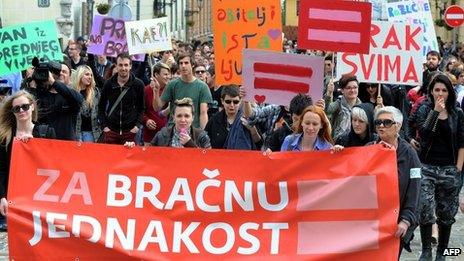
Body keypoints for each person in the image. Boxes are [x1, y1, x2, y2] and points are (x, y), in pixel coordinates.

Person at [415, 73, 464, 260]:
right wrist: (435, 111)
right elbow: (425, 134)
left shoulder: (457, 112)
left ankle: (443, 252)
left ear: (450, 92)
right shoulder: (424, 108)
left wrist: (458, 169)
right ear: (431, 91)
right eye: (437, 90)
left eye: (444, 90)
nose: (440, 93)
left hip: (450, 169)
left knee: (446, 213)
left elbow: (462, 142)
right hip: (427, 166)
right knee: (426, 209)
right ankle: (426, 250)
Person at [368, 106, 421, 258]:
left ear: (398, 125)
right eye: (378, 122)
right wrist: (339, 153)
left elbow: (415, 190)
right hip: (371, 222)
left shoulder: (410, 155)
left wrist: (406, 220)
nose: (381, 126)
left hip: (395, 224)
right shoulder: (369, 149)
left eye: (387, 122)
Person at [0, 91, 55, 219]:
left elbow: (53, 165)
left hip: (40, 194)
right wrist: (2, 197)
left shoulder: (47, 132)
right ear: (12, 112)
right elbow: (1, 169)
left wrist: (35, 145)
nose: (21, 111)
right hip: (14, 195)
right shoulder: (5, 137)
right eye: (16, 108)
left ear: (32, 106)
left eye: (25, 106)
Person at [153, 54, 212, 129]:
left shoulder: (202, 87)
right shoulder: (172, 84)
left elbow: (203, 113)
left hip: (193, 131)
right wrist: (156, 91)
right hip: (173, 130)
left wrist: (202, 134)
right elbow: (157, 107)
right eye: (181, 63)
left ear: (192, 65)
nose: (183, 66)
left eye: (186, 63)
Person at [98, 53, 145, 145]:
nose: (123, 68)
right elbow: (101, 106)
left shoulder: (138, 84)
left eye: (126, 65)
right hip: (111, 131)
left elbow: (141, 107)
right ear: (116, 65)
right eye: (120, 65)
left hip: (130, 132)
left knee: (130, 159)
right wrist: (105, 127)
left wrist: (136, 127)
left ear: (130, 66)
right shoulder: (109, 84)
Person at [205, 85, 261, 149]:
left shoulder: (247, 119)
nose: (232, 105)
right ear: (222, 101)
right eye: (228, 102)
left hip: (243, 158)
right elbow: (205, 141)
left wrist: (252, 129)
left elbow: (259, 143)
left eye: (235, 102)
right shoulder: (214, 120)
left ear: (240, 101)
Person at [325, 74, 362, 140]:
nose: (352, 90)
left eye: (355, 87)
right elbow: (326, 110)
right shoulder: (338, 103)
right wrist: (329, 93)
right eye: (349, 88)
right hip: (338, 142)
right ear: (342, 90)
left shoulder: (362, 107)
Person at [72, 66, 101, 142]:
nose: (90, 77)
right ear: (80, 75)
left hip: (91, 132)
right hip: (75, 132)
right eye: (87, 74)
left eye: (91, 75)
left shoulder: (95, 92)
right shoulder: (72, 91)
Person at [142, 63, 170, 143]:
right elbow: (140, 111)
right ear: (156, 75)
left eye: (169, 74)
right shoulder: (146, 90)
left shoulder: (169, 90)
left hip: (166, 136)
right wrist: (146, 120)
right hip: (149, 136)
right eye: (165, 74)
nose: (168, 77)